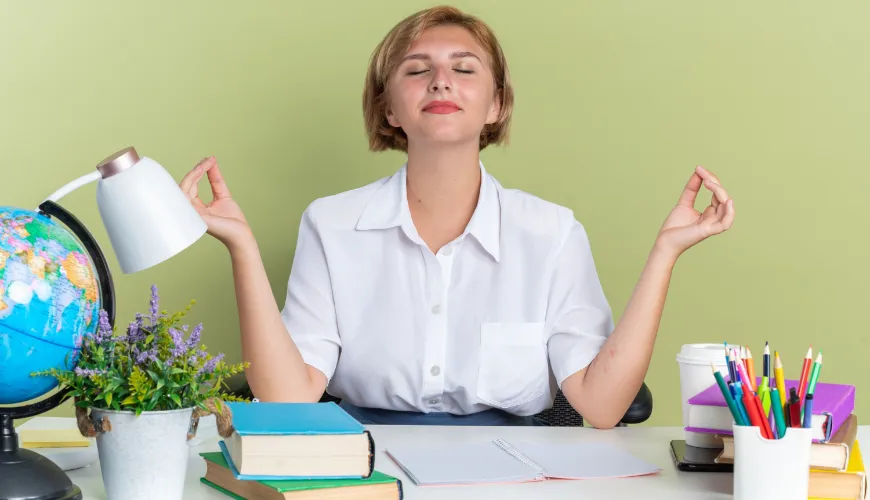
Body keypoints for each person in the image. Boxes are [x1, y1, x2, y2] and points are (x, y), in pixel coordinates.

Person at [179, 5, 734, 427]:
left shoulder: (552, 232)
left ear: (496, 105)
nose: (441, 81)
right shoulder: (330, 224)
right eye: (417, 70)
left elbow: (601, 405)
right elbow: (287, 400)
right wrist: (241, 249)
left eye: (463, 69)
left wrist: (665, 253)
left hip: (514, 470)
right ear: (389, 109)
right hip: (365, 464)